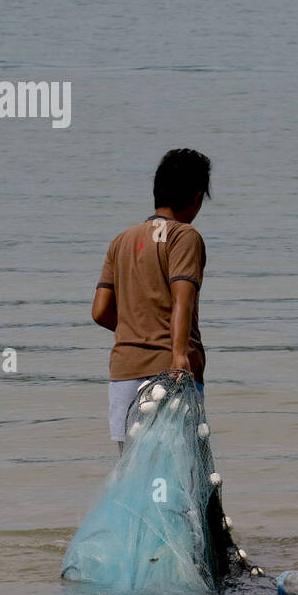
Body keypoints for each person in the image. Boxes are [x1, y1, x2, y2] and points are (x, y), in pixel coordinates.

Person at [91, 148, 211, 454]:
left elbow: (100, 311)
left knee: (134, 472)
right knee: (179, 477)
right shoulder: (184, 236)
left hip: (123, 375)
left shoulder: (122, 240)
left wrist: (136, 330)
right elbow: (182, 298)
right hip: (170, 374)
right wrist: (178, 355)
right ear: (197, 196)